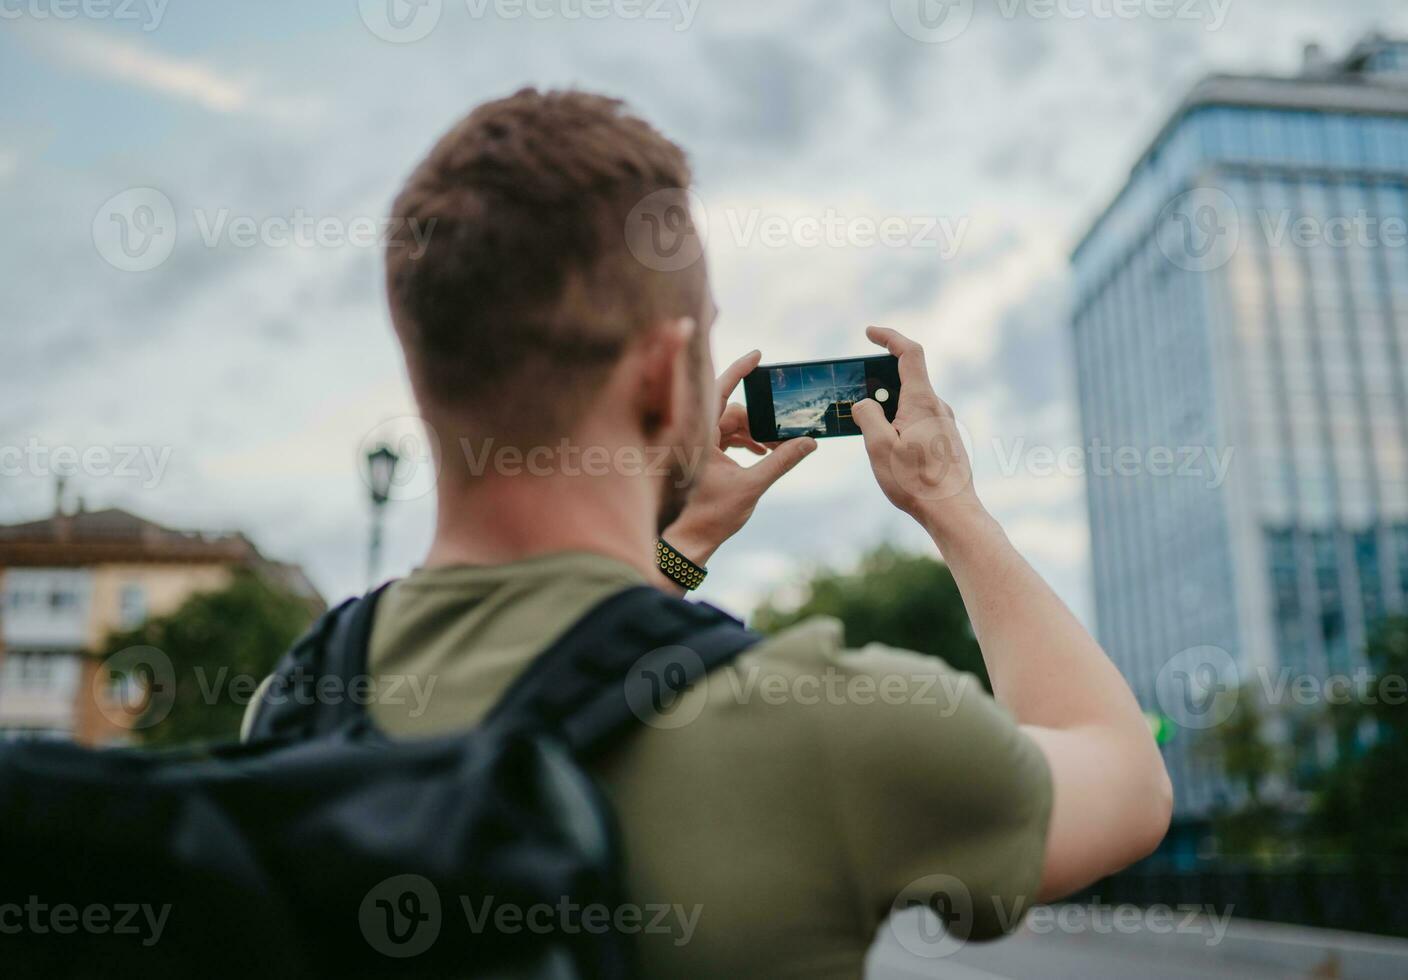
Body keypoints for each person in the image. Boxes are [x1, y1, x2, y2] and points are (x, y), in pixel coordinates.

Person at [251, 88, 1172, 977]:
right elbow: (1124, 777)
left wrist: (679, 544)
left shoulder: (300, 699)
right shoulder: (821, 727)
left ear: (426, 371)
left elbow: (546, 671)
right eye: (704, 344)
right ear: (660, 378)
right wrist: (948, 501)